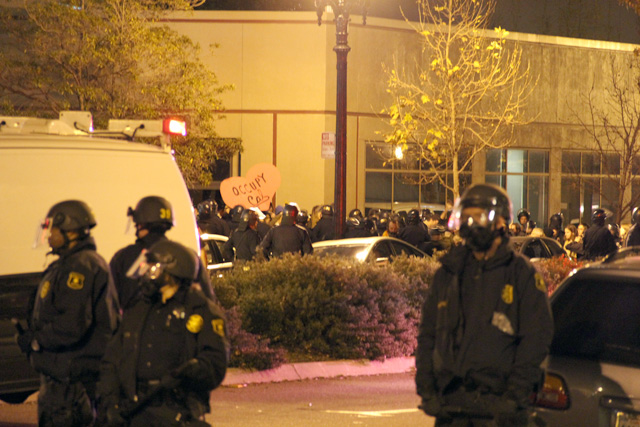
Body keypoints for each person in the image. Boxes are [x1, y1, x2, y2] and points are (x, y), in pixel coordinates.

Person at [415, 183, 553, 426]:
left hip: (499, 409)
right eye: (466, 217)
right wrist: (427, 388)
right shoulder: (449, 273)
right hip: (452, 406)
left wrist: (514, 396)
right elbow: (428, 334)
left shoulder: (521, 275)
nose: (472, 224)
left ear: (500, 222)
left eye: (478, 216)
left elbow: (536, 338)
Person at [98, 240, 228, 426]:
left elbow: (215, 365)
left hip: (176, 410)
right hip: (135, 410)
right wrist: (110, 402)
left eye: (154, 268)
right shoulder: (139, 308)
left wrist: (190, 371)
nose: (148, 273)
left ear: (172, 271)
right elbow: (112, 359)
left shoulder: (201, 310)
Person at [17, 200, 120, 426]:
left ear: (71, 230)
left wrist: (36, 340)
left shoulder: (81, 266)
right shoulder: (67, 264)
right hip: (64, 381)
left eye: (53, 228)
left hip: (72, 384)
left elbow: (71, 324)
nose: (49, 235)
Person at [110, 196, 215, 310]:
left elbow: (110, 304)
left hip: (133, 325)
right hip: (176, 325)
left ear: (140, 224)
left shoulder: (123, 258)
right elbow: (208, 301)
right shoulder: (188, 257)